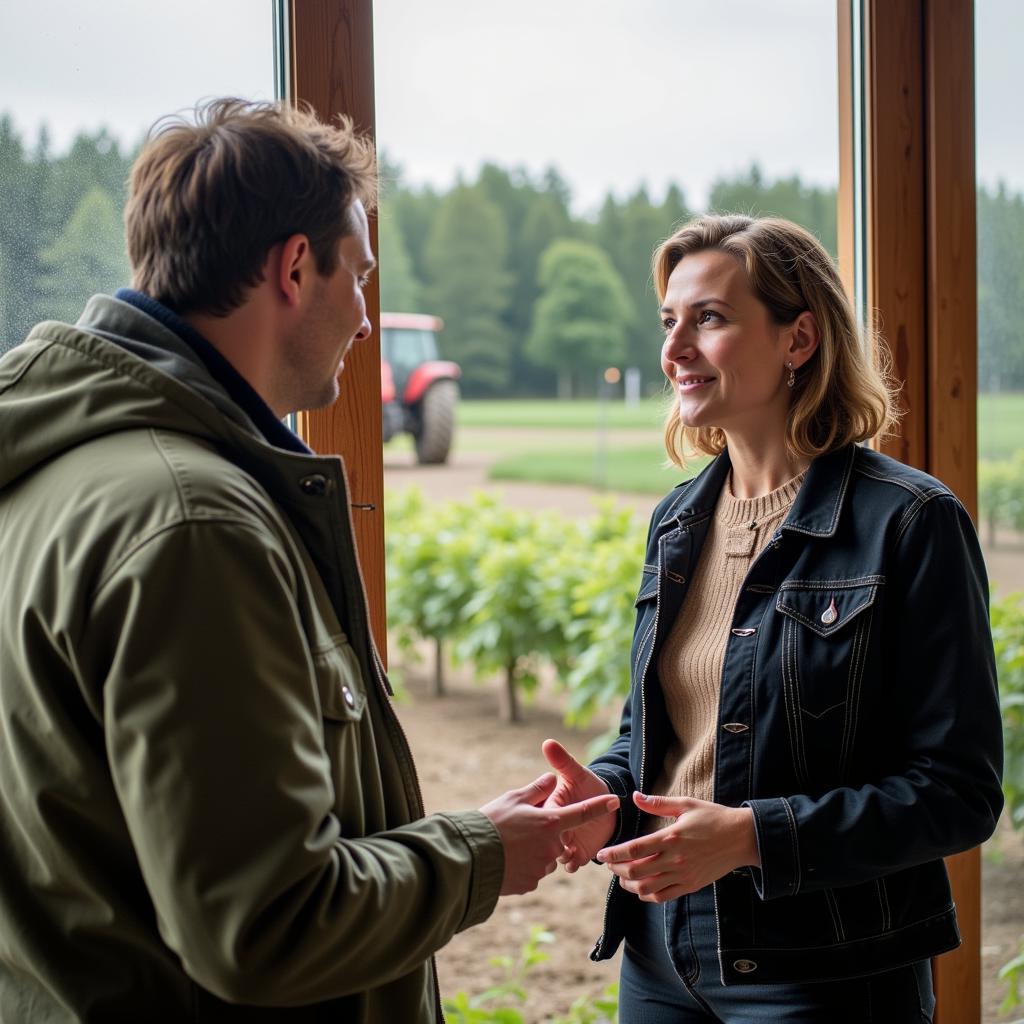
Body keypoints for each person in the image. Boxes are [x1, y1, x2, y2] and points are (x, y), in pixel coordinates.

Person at [0, 98, 619, 1022]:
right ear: (295, 267)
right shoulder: (193, 525)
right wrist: (484, 853)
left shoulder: (59, 470)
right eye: (359, 277)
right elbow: (265, 925)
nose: (366, 318)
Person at [541, 215, 1004, 1023]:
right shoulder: (677, 521)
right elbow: (662, 737)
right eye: (668, 321)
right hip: (659, 951)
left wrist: (751, 835)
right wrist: (608, 795)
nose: (674, 348)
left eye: (709, 319)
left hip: (823, 968)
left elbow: (958, 794)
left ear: (799, 340)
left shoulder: (910, 522)